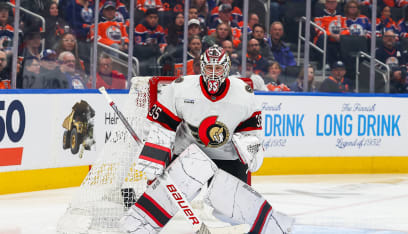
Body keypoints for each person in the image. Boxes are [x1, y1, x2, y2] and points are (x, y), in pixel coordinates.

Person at [119, 44, 294, 234]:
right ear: (201, 67)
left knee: (233, 208)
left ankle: (267, 225)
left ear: (226, 68)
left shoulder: (243, 94)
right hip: (187, 154)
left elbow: (252, 134)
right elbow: (162, 124)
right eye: (209, 68)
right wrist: (155, 153)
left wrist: (250, 150)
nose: (213, 73)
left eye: (217, 68)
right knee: (166, 196)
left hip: (227, 156)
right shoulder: (181, 88)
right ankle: (140, 224)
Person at [313, 0, 350, 66]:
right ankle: (324, 63)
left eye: (333, 2)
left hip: (338, 37)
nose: (331, 4)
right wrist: (331, 35)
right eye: (329, 2)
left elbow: (345, 28)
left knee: (347, 37)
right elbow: (318, 29)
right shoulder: (319, 14)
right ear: (326, 3)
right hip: (324, 38)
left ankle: (346, 64)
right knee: (323, 36)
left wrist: (340, 35)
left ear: (336, 3)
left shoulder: (341, 15)